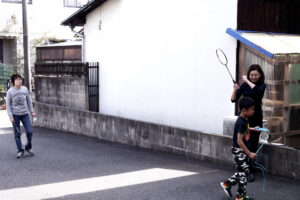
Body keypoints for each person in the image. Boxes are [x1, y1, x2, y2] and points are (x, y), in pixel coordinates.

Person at [231, 64, 266, 182]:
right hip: (245, 119)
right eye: (251, 75)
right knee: (244, 142)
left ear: (260, 75)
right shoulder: (245, 85)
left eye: (256, 75)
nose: (253, 77)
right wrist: (235, 90)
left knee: (253, 144)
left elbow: (256, 92)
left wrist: (246, 80)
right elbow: (233, 99)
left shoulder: (262, 86)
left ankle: (251, 170)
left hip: (256, 119)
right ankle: (244, 168)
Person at [220, 97, 260, 200]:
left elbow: (244, 129)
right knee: (244, 173)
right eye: (252, 109)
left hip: (241, 150)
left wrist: (252, 129)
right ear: (244, 110)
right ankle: (240, 196)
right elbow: (239, 141)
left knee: (244, 172)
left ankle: (227, 183)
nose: (253, 111)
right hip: (239, 150)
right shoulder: (241, 122)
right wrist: (250, 153)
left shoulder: (244, 118)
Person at [6, 74, 37, 158]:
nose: (19, 81)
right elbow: (8, 105)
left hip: (24, 114)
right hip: (15, 115)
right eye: (17, 79)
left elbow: (29, 101)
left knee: (29, 132)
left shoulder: (25, 89)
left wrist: (32, 111)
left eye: (20, 79)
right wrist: (10, 116)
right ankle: (20, 151)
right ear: (13, 82)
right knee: (18, 134)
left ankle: (28, 147)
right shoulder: (10, 91)